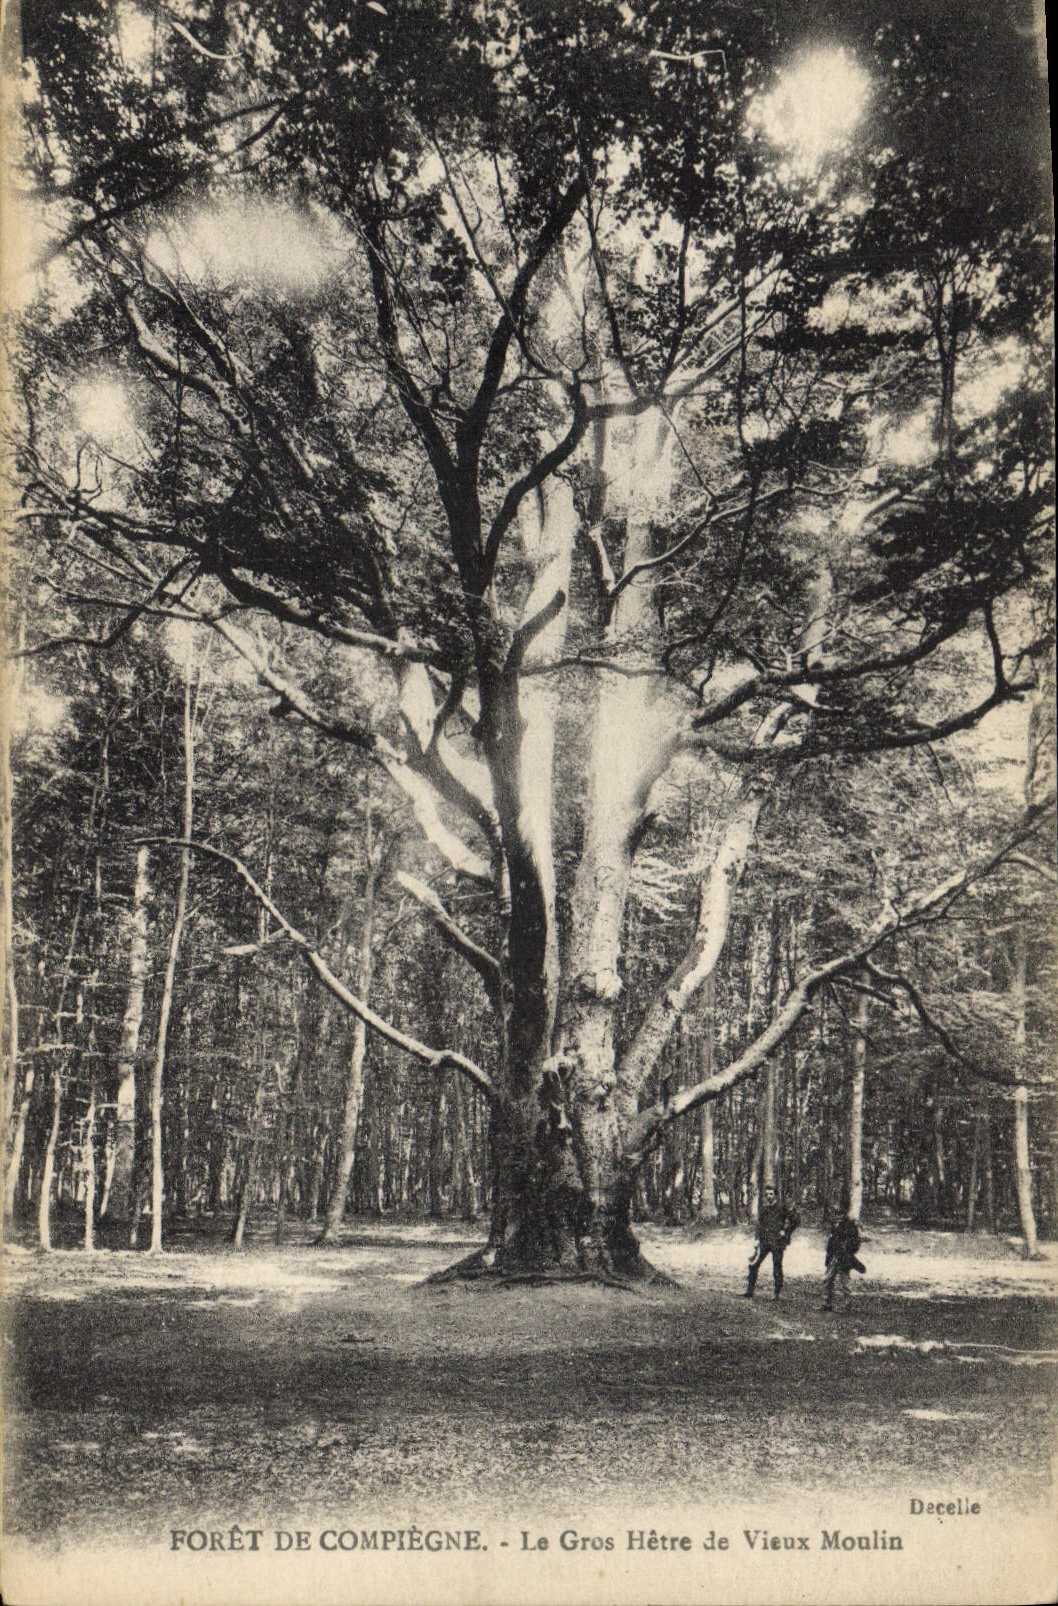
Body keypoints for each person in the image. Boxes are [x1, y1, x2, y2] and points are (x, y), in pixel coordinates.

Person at [742, 1184, 800, 1299]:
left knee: (777, 1267)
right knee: (753, 1264)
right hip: (764, 1241)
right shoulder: (764, 1208)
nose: (769, 1196)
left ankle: (776, 1293)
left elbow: (795, 1220)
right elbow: (759, 1225)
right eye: (767, 1194)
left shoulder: (782, 1207)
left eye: (771, 1194)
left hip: (777, 1242)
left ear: (776, 1195)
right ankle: (749, 1291)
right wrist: (757, 1239)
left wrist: (786, 1232)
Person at [822, 1204, 866, 1310]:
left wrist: (848, 1251)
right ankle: (827, 1303)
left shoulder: (850, 1226)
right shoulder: (833, 1226)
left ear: (844, 1214)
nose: (837, 1216)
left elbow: (856, 1242)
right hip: (833, 1257)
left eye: (840, 1214)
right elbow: (830, 1243)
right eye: (835, 1214)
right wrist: (829, 1256)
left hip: (844, 1258)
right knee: (827, 1280)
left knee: (845, 1282)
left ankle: (847, 1305)